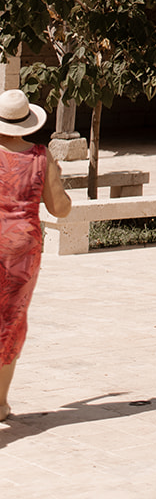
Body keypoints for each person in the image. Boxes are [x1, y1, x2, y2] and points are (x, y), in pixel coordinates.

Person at [0, 89, 71, 420]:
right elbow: (61, 209)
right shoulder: (40, 158)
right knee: (10, 320)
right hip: (21, 251)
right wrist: (55, 176)